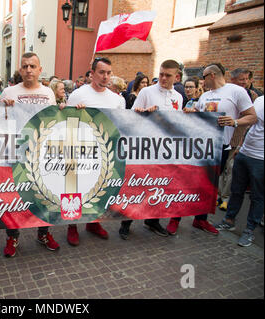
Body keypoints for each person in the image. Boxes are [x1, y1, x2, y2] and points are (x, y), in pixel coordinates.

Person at [167, 63, 257, 236]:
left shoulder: (236, 92)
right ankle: (175, 218)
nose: (202, 80)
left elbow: (252, 116)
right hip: (200, 146)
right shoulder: (205, 96)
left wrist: (234, 122)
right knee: (187, 183)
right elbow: (200, 116)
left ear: (212, 75)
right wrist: (191, 112)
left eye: (204, 76)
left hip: (221, 147)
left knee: (209, 186)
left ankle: (200, 219)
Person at [0, 52, 59, 257]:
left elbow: (54, 121)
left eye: (33, 66)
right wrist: (4, 110)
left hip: (42, 154)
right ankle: (12, 236)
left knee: (44, 196)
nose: (28, 70)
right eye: (25, 66)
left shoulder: (48, 93)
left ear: (40, 70)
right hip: (16, 152)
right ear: (20, 69)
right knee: (14, 196)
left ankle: (43, 233)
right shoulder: (8, 91)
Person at [119, 60, 184, 240]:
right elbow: (131, 115)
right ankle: (126, 222)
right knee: (138, 186)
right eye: (161, 74)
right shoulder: (147, 92)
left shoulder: (178, 97)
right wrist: (143, 112)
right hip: (145, 148)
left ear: (176, 77)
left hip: (165, 150)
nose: (163, 78)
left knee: (161, 186)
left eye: (168, 75)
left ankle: (153, 220)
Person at [65, 57, 125, 246]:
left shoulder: (117, 100)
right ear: (92, 73)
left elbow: (121, 125)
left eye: (108, 72)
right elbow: (66, 121)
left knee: (99, 189)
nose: (106, 76)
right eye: (101, 72)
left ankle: (93, 223)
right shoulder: (78, 94)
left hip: (104, 153)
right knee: (74, 189)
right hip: (79, 150)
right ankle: (72, 226)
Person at [214, 95, 263, 247]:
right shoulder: (259, 100)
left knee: (257, 196)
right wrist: (241, 146)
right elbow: (250, 125)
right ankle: (229, 220)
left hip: (261, 158)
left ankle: (249, 230)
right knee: (236, 189)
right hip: (245, 153)